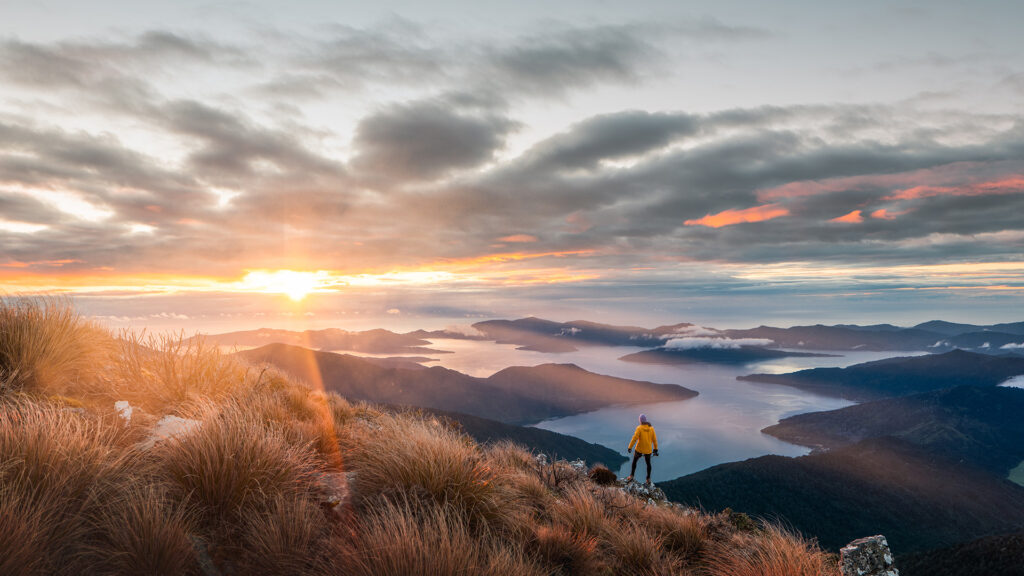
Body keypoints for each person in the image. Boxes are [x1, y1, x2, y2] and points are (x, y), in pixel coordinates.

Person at [626, 413, 658, 484]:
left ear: (640, 421)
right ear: (646, 420)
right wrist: (655, 449)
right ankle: (648, 478)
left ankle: (631, 475)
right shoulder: (651, 428)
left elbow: (634, 438)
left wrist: (630, 447)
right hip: (648, 450)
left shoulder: (639, 428)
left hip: (639, 449)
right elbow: (654, 440)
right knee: (648, 464)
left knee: (634, 462)